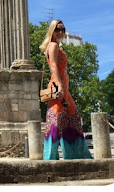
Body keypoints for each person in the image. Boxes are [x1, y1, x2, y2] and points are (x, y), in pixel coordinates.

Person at [40, 20, 93, 160]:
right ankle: (50, 158)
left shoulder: (56, 46)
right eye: (57, 29)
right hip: (58, 88)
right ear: (52, 30)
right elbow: (53, 66)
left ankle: (75, 155)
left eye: (63, 29)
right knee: (55, 121)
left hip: (64, 89)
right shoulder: (52, 45)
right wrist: (59, 85)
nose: (61, 32)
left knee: (72, 118)